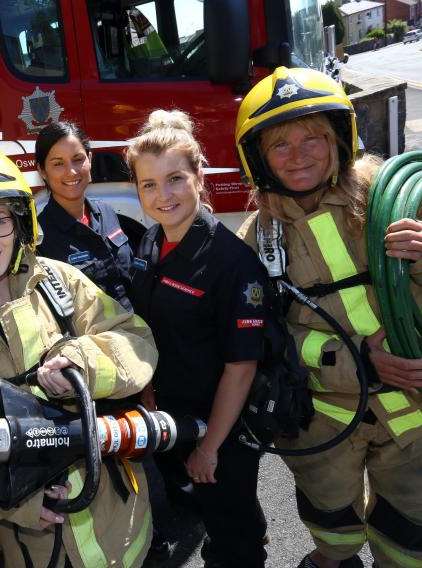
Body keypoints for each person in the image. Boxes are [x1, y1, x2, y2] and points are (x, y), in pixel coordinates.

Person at [0, 143, 158, 567]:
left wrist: (84, 362)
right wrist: (8, 502)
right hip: (31, 548)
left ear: (20, 221)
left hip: (120, 529)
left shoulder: (62, 282)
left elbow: (136, 340)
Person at [234, 66, 422, 568]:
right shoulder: (254, 240)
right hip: (322, 420)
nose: (299, 155)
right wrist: (359, 363)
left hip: (420, 413)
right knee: (330, 519)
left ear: (339, 139)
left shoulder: (397, 198)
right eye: (279, 145)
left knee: (416, 533)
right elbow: (263, 338)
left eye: (312, 138)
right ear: (259, 160)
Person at [126, 109, 269, 567]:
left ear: (199, 176)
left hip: (221, 430)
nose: (162, 196)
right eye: (148, 184)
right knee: (215, 514)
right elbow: (149, 329)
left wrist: (209, 449)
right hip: (171, 419)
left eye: (174, 179)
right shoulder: (151, 242)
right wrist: (148, 393)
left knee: (233, 538)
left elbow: (241, 367)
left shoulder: (232, 263)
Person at [36, 121, 134, 311]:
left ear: (89, 159)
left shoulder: (107, 212)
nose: (71, 171)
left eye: (78, 159)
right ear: (42, 171)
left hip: (136, 330)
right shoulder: (41, 239)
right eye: (58, 163)